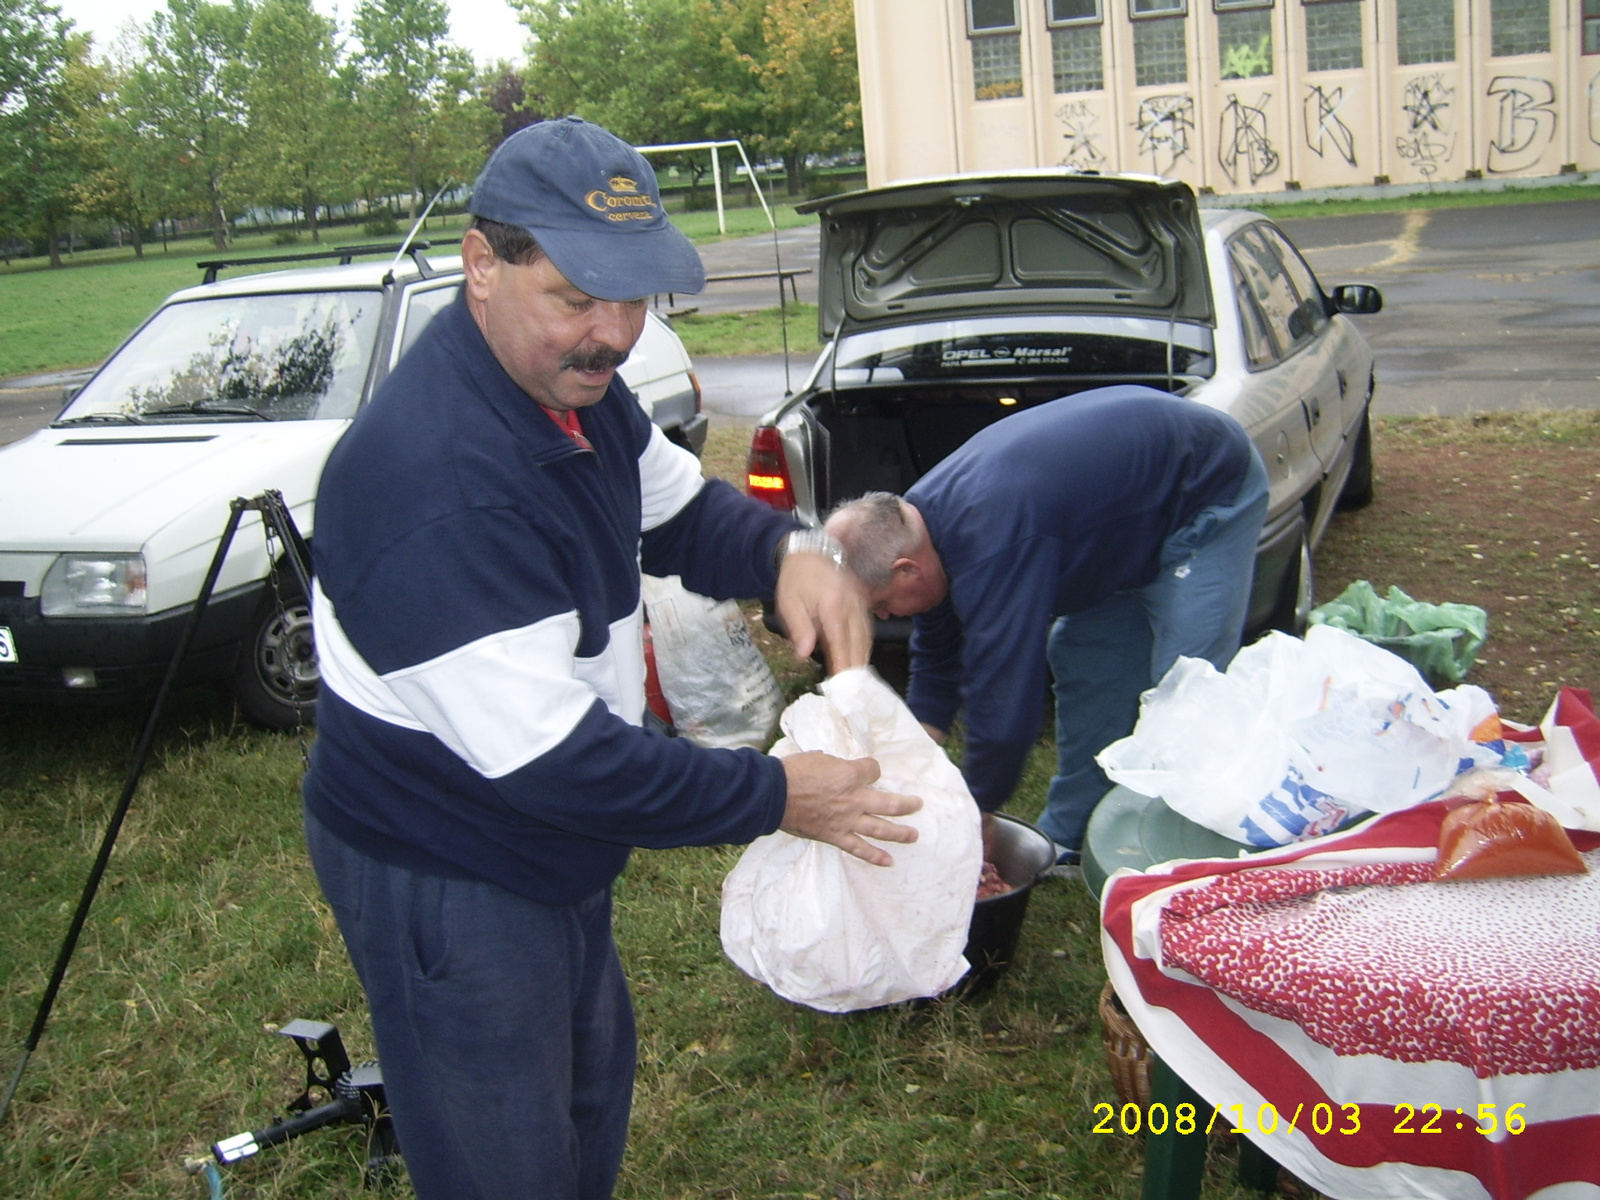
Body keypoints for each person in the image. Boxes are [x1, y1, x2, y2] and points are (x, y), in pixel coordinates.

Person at [301, 116, 921, 1200]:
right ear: (480, 266)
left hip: (551, 843)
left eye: (634, 298)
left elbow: (675, 511)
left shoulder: (570, 387)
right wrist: (777, 793)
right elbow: (559, 765)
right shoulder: (431, 482)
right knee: (504, 1156)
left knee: (585, 1102)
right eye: (578, 297)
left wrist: (788, 551)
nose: (614, 334)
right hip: (449, 856)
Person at [825, 385, 1269, 868]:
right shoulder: (915, 524)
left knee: (1187, 689)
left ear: (908, 569)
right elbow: (937, 650)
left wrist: (981, 807)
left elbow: (1005, 690)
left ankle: (1180, 855)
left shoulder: (993, 538)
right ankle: (1074, 835)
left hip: (1204, 492)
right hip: (1122, 527)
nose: (887, 616)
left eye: (884, 604)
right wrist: (911, 756)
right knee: (1084, 658)